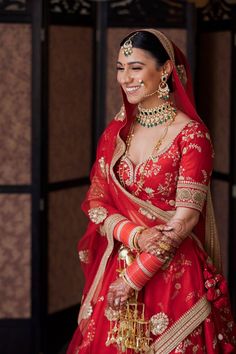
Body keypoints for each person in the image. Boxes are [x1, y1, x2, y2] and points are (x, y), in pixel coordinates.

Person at [67, 29, 236, 353]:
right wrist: (134, 235)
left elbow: (185, 219)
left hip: (172, 277)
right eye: (120, 67)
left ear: (165, 70)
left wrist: (133, 277)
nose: (125, 77)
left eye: (135, 66)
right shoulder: (116, 134)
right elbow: (96, 201)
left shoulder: (191, 134)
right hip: (115, 269)